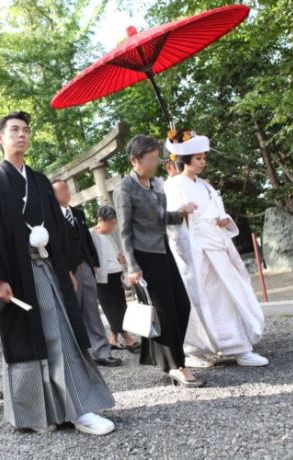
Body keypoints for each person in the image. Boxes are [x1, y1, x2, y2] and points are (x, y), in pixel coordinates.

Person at [0, 111, 115, 435]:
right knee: (35, 339)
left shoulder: (38, 181)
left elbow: (55, 226)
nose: (21, 135)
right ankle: (39, 413)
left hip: (46, 266)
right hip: (17, 274)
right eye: (14, 130)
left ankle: (77, 408)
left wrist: (65, 267)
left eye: (25, 130)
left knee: (60, 332)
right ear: (0, 138)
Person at [164, 129, 267, 367]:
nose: (203, 162)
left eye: (203, 157)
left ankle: (239, 346)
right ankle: (196, 351)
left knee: (232, 295)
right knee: (202, 301)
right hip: (196, 253)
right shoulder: (173, 186)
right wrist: (182, 212)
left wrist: (222, 219)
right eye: (198, 158)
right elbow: (169, 220)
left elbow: (217, 210)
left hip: (217, 246)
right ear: (185, 159)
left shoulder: (205, 185)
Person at [113, 134, 204, 388]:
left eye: (156, 157)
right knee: (164, 311)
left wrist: (181, 212)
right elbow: (124, 230)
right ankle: (177, 365)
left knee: (181, 305)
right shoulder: (125, 188)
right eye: (150, 159)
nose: (155, 163)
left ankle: (166, 357)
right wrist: (131, 267)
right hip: (143, 256)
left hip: (163, 250)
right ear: (134, 160)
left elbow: (160, 218)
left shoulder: (155, 184)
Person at [51, 180, 122, 367]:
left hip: (86, 266)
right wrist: (64, 270)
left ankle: (102, 351)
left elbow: (87, 242)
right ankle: (78, 356)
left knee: (92, 310)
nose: (67, 191)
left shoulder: (78, 214)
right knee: (72, 311)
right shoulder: (50, 218)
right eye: (63, 189)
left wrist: (94, 263)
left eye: (68, 187)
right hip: (68, 270)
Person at [89, 205, 140, 351]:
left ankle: (113, 339)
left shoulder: (111, 234)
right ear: (100, 220)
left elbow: (117, 250)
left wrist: (121, 257)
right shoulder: (91, 234)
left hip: (117, 273)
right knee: (110, 307)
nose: (113, 225)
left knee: (120, 305)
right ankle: (128, 338)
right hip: (102, 277)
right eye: (111, 222)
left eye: (114, 222)